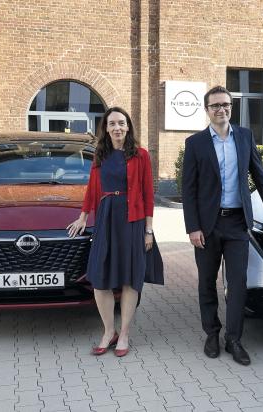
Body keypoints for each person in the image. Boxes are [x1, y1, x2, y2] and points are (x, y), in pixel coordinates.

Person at [182, 85, 263, 366]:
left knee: (238, 284)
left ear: (231, 107)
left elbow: (260, 176)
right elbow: (189, 189)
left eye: (226, 104)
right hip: (207, 226)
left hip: (236, 223)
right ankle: (211, 333)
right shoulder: (195, 143)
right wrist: (192, 227)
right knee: (206, 282)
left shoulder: (244, 137)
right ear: (207, 110)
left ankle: (234, 339)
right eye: (215, 105)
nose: (221, 109)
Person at [67, 106, 163, 357]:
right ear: (106, 129)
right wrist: (82, 217)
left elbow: (148, 194)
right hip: (106, 220)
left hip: (132, 221)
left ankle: (125, 333)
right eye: (112, 124)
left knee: (130, 279)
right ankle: (109, 331)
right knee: (100, 280)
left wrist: (149, 230)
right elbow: (92, 189)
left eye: (121, 123)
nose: (117, 127)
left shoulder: (140, 155)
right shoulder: (100, 155)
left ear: (128, 126)